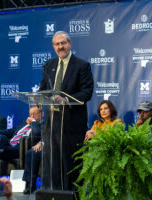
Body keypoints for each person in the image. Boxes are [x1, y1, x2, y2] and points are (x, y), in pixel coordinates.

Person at [39, 30, 94, 190]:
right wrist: (37, 100)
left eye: (63, 43)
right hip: (52, 123)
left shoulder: (82, 65)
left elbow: (87, 92)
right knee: (53, 164)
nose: (60, 47)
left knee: (72, 164)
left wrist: (66, 99)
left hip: (72, 124)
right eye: (57, 44)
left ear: (70, 44)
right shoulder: (49, 65)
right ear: (53, 46)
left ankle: (73, 195)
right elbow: (43, 88)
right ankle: (54, 193)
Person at [0, 105, 43, 171]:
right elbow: (11, 131)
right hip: (9, 144)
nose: (31, 117)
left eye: (34, 114)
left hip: (20, 149)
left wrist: (33, 122)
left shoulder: (42, 125)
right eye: (30, 114)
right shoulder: (24, 123)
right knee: (1, 137)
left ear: (42, 113)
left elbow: (37, 132)